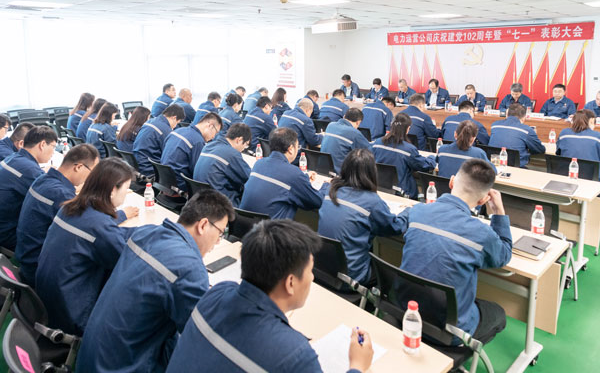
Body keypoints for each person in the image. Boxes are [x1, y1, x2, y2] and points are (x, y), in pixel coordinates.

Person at [166, 219, 374, 373]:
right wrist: (357, 365)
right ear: (290, 283)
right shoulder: (295, 355)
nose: (312, 278)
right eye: (310, 271)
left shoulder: (216, 293)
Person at [76, 190, 235, 373]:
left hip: (90, 357)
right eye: (220, 233)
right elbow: (201, 336)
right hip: (121, 367)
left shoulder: (146, 233)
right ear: (203, 225)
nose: (217, 242)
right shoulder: (189, 268)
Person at [399, 159, 512, 345]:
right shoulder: (482, 234)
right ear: (483, 200)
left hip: (405, 313)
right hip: (448, 330)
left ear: (451, 182)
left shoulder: (417, 212)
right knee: (498, 313)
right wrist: (499, 212)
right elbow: (504, 255)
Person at [36, 158, 139, 335]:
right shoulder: (99, 226)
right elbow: (127, 263)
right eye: (126, 188)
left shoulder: (70, 208)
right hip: (73, 315)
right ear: (113, 190)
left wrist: (143, 232)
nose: (125, 194)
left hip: (47, 302)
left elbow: (107, 234)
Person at [318, 149, 406, 285]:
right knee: (388, 275)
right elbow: (395, 227)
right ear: (372, 173)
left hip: (322, 269)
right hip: (349, 278)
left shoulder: (330, 190)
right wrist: (408, 212)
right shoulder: (372, 202)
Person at [15, 144, 99, 286]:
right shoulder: (62, 194)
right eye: (92, 172)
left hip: (26, 256)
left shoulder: (43, 179)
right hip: (38, 269)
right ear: (78, 167)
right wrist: (121, 215)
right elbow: (90, 225)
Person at [239, 128, 323, 219]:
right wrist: (325, 186)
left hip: (245, 224)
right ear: (290, 149)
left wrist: (304, 178)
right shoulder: (294, 174)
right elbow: (317, 201)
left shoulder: (259, 163)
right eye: (297, 147)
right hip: (272, 227)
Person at [0, 126, 58, 251]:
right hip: (9, 235)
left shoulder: (14, 158)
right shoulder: (30, 170)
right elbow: (54, 197)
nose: (53, 152)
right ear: (42, 144)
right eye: (53, 147)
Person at [372, 113, 436, 199]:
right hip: (401, 192)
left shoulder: (377, 143)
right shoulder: (408, 150)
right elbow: (424, 166)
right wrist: (432, 157)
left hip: (380, 187)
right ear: (407, 129)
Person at [193, 123, 251, 206]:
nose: (243, 149)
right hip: (219, 204)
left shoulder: (209, 146)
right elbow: (249, 179)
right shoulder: (232, 154)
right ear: (239, 140)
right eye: (246, 145)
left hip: (200, 199)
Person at [161, 112, 222, 191]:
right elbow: (197, 172)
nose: (213, 137)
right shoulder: (198, 142)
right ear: (210, 126)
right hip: (181, 186)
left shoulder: (177, 131)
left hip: (164, 182)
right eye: (216, 132)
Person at [133, 104, 185, 176]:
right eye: (177, 123)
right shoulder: (165, 130)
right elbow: (169, 156)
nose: (175, 126)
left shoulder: (150, 121)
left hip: (138, 164)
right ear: (174, 118)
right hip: (150, 169)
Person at [489, 103, 545, 168]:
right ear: (524, 117)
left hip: (494, 166)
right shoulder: (526, 130)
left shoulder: (494, 125)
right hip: (517, 168)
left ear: (506, 115)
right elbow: (540, 149)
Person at [321, 108, 372, 173]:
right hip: (341, 173)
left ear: (344, 116)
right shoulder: (355, 133)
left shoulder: (330, 125)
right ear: (358, 122)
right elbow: (369, 152)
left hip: (323, 170)